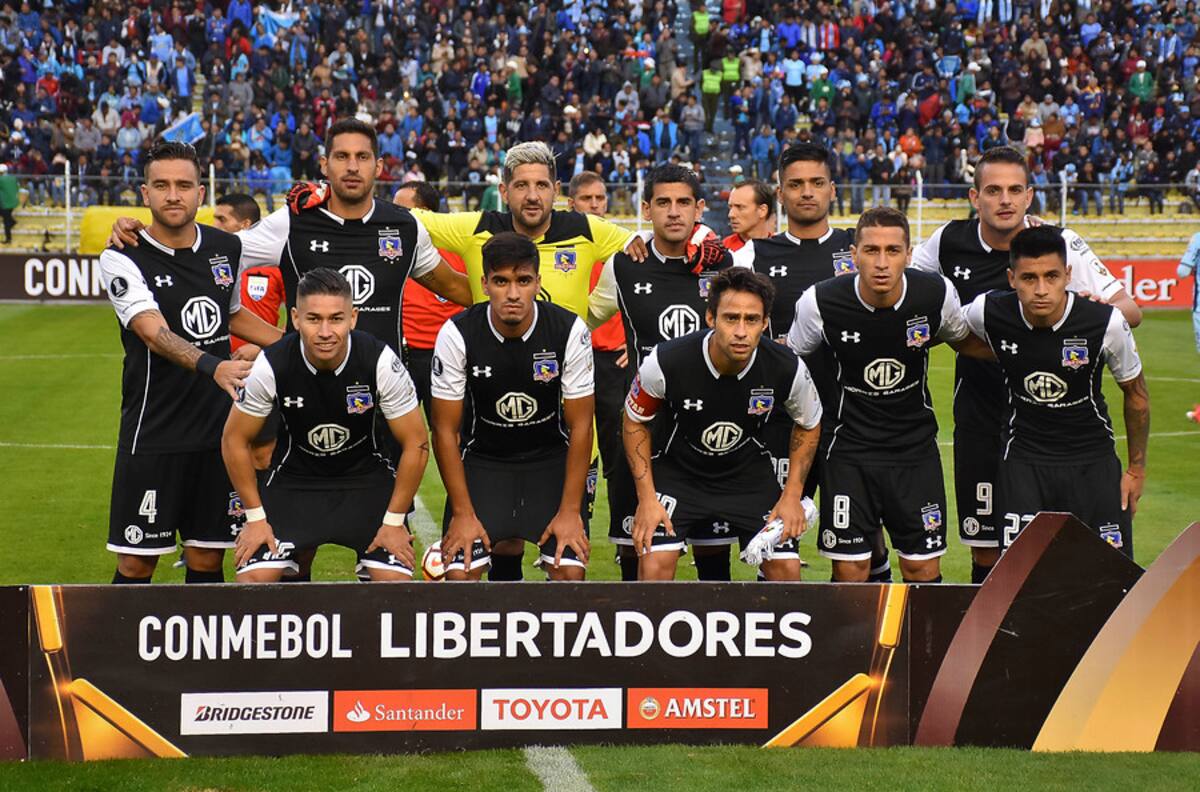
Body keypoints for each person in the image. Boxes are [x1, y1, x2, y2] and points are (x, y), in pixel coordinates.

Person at [910, 145, 1143, 583]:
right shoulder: (946, 242)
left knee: (1072, 551)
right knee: (988, 550)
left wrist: (1091, 306)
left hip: (1052, 428)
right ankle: (998, 647)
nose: (1005, 200)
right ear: (974, 197)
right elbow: (917, 295)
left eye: (1015, 190)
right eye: (994, 190)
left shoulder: (1059, 243)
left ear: (1030, 195)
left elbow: (1128, 309)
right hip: (981, 414)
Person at [108, 118, 472, 360]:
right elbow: (211, 250)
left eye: (362, 157)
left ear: (378, 166)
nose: (351, 166)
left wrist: (525, 296)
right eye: (341, 156)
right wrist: (146, 234)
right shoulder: (292, 223)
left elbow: (457, 288)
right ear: (324, 164)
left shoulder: (405, 226)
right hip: (301, 390)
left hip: (381, 388)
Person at [788, 207, 992, 584]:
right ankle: (860, 646)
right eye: (871, 251)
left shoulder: (935, 293)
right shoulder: (819, 302)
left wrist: (1025, 351)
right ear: (854, 255)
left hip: (914, 451)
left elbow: (965, 340)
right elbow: (792, 364)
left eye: (893, 251)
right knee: (851, 571)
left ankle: (923, 645)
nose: (882, 263)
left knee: (921, 567)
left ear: (909, 254)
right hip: (848, 451)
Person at [96, 141, 255, 585]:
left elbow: (233, 311)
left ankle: (204, 658)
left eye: (183, 185)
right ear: (144, 194)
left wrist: (287, 343)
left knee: (208, 558)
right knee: (136, 561)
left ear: (201, 193)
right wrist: (215, 366)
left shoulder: (227, 247)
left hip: (219, 433)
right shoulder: (121, 256)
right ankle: (118, 653)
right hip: (154, 432)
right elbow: (152, 330)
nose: (173, 195)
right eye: (161, 185)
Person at [731, 142, 891, 582]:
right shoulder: (752, 257)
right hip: (779, 425)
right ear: (779, 195)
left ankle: (858, 646)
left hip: (851, 423)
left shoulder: (860, 249)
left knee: (858, 556)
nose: (807, 193)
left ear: (832, 190)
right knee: (779, 552)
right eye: (795, 184)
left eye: (816, 183)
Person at [225, 268, 429, 581]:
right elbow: (234, 440)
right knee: (254, 579)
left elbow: (416, 442)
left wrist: (393, 521)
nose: (324, 331)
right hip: (295, 481)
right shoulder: (272, 363)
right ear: (295, 318)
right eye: (313, 319)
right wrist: (255, 519)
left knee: (395, 584)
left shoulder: (380, 361)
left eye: (336, 318)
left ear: (353, 318)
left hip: (366, 481)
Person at [624, 268, 822, 581]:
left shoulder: (787, 367)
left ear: (765, 323)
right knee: (654, 563)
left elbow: (809, 424)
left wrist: (791, 495)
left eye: (751, 319)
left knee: (786, 569)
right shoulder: (666, 361)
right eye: (731, 318)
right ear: (711, 318)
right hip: (680, 472)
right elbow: (634, 421)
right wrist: (647, 499)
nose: (741, 331)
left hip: (747, 473)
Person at [962, 226, 1148, 555]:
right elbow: (952, 334)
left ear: (1069, 275)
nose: (1042, 290)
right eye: (1029, 279)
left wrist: (1135, 470)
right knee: (1024, 581)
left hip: (1093, 462)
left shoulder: (1105, 323)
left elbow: (1136, 396)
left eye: (1052, 276)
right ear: (1011, 278)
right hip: (1023, 464)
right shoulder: (988, 311)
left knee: (1108, 581)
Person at [588, 164, 733, 580]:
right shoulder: (625, 266)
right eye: (663, 203)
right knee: (638, 556)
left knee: (714, 558)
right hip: (643, 433)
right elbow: (584, 320)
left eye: (684, 202)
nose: (674, 212)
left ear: (700, 208)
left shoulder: (721, 265)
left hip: (709, 430)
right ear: (646, 209)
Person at [430, 233, 594, 581]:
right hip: (483, 463)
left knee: (569, 573)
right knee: (459, 576)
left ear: (538, 282)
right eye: (501, 281)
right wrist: (461, 512)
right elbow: (445, 430)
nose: (513, 293)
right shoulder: (457, 333)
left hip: (550, 462)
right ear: (485, 284)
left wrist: (570, 510)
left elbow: (581, 426)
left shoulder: (568, 330)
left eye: (523, 281)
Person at [212, 192, 282, 472]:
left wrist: (262, 346)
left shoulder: (274, 265)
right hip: (217, 368)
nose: (215, 225)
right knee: (216, 449)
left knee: (261, 454)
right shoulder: (210, 264)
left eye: (222, 219)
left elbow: (304, 319)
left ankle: (258, 513)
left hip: (258, 370)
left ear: (245, 225)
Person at [392, 180, 467, 415]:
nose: (394, 216)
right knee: (397, 433)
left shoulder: (458, 251)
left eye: (401, 210)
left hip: (447, 357)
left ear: (425, 213)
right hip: (402, 357)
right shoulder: (390, 252)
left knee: (449, 431)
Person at [723, 179, 776, 251]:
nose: (731, 214)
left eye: (740, 207)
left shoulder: (781, 250)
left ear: (762, 210)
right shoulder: (722, 251)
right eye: (730, 207)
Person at [0, 164, 18, 243]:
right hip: (13, 202)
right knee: (6, 216)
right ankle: (12, 221)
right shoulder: (13, 178)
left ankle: (8, 239)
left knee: (6, 222)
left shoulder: (0, 179)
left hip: (5, 204)